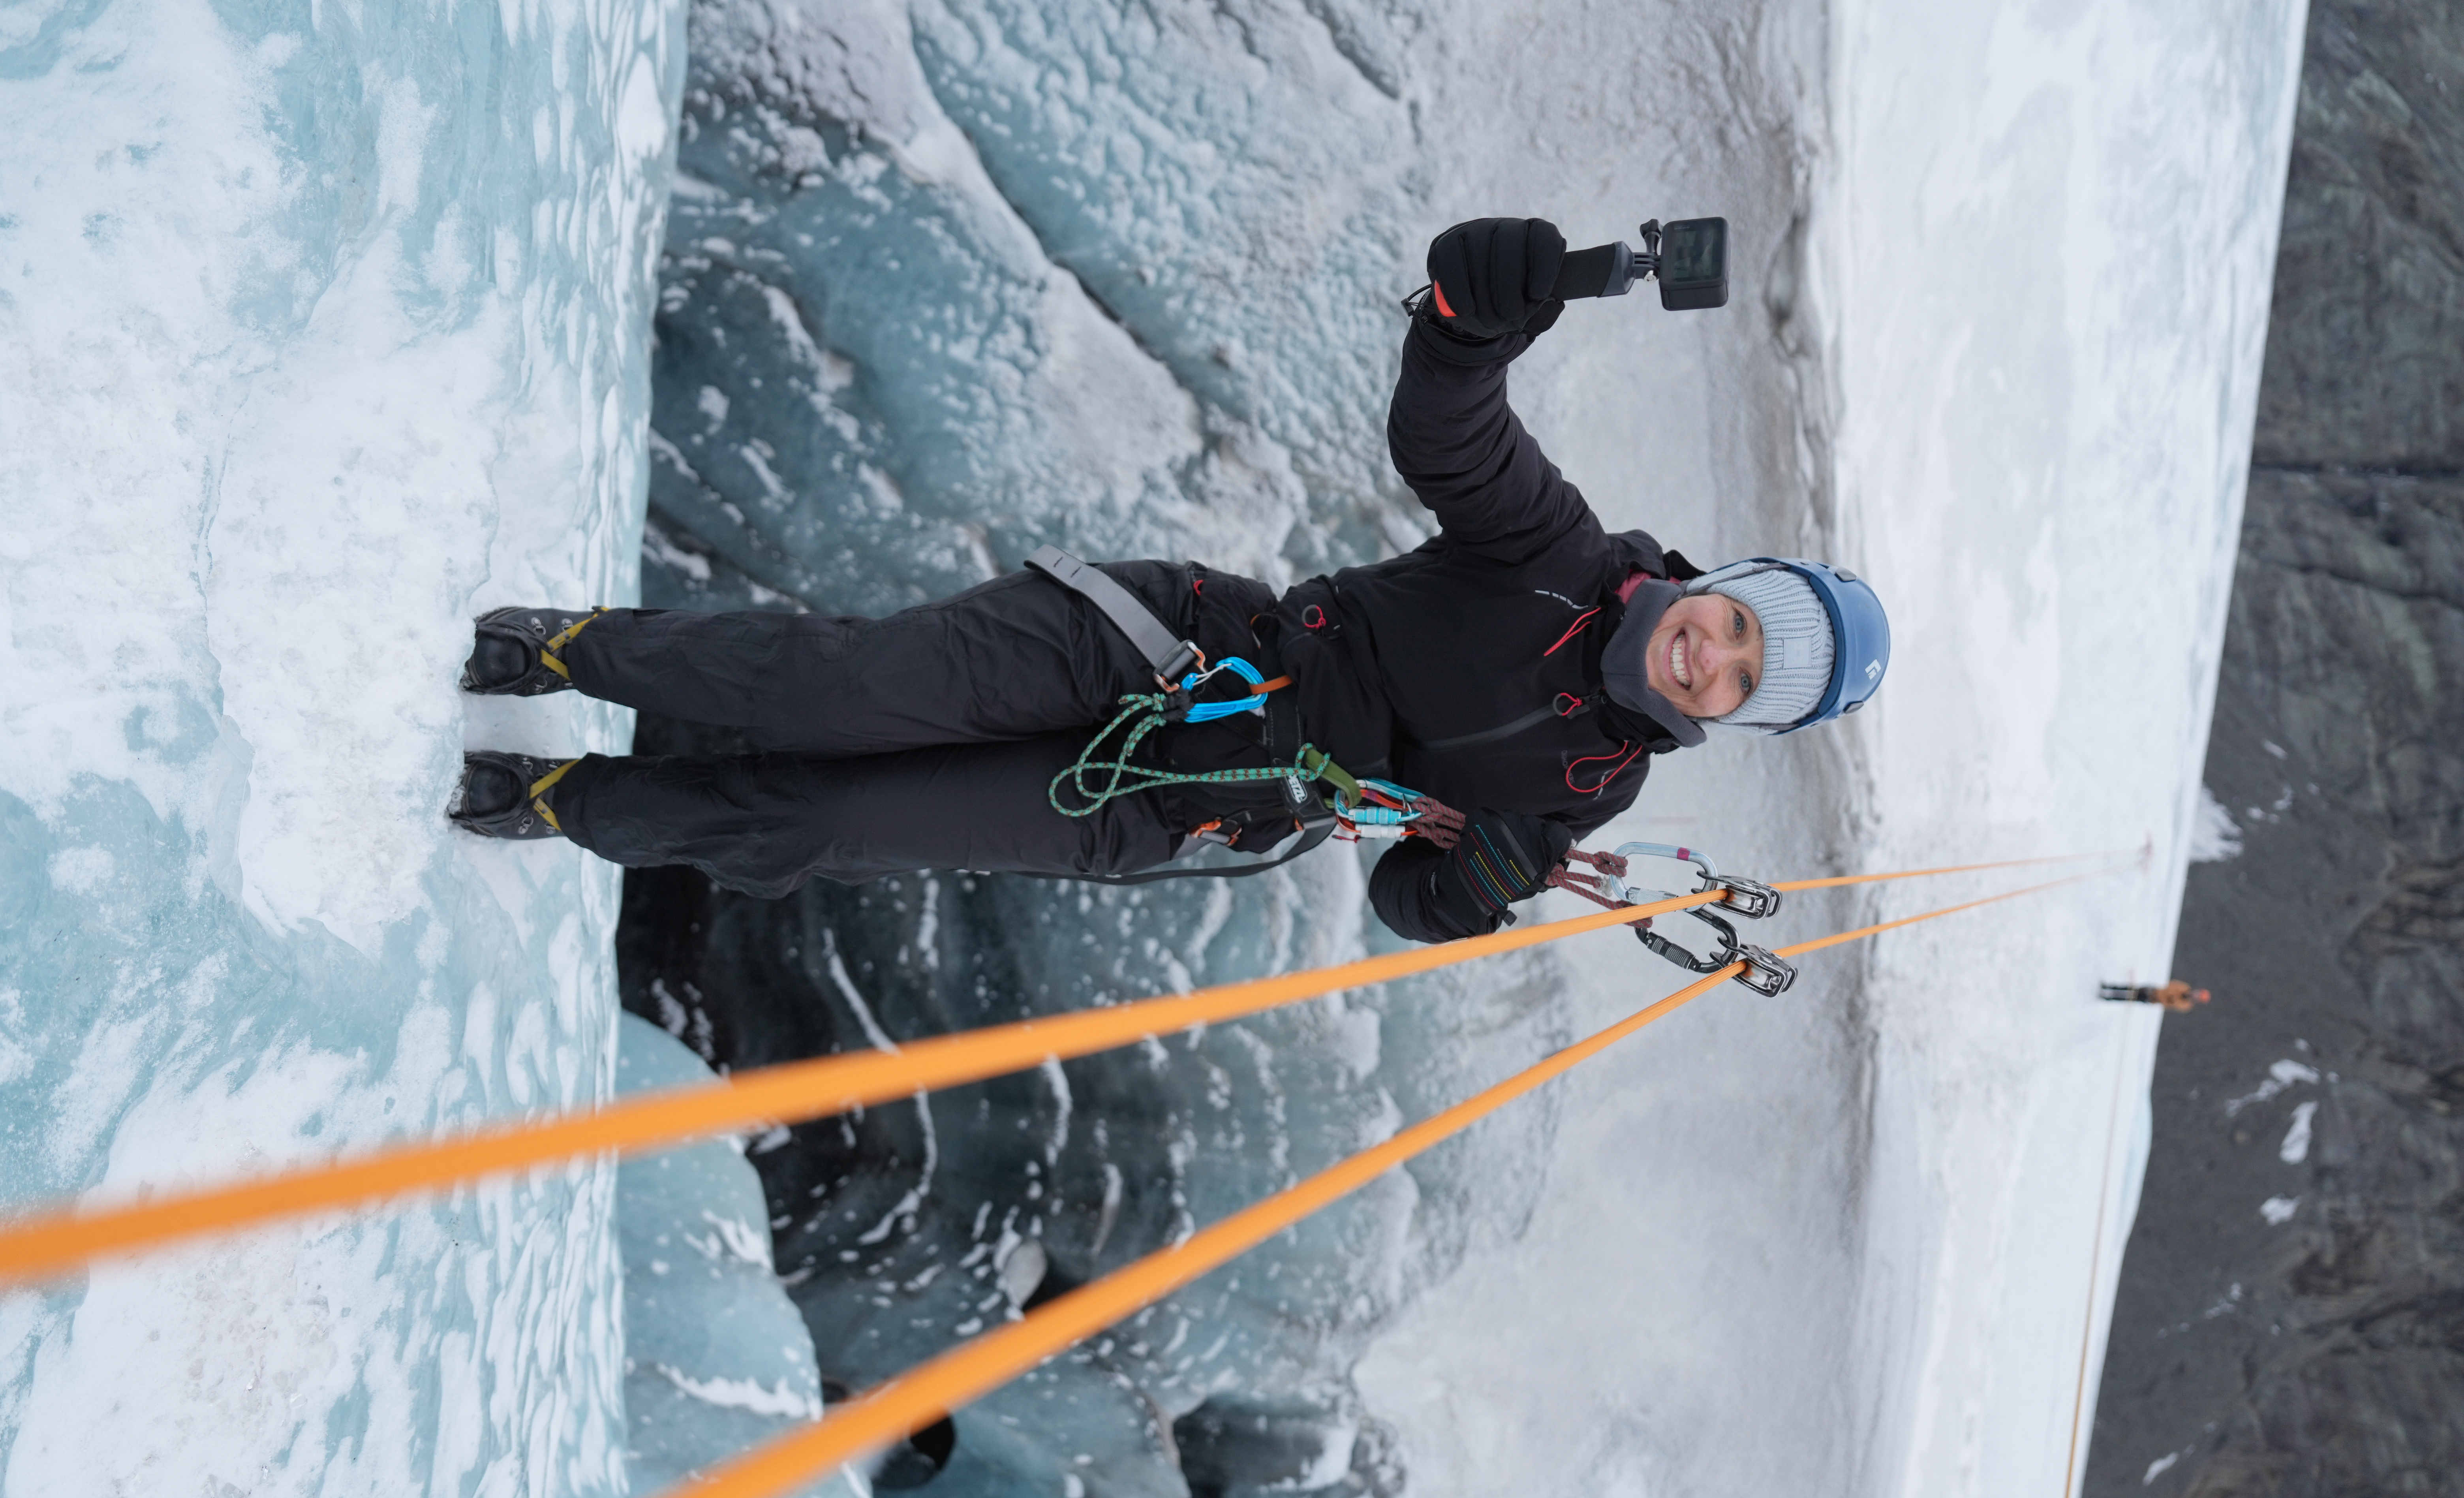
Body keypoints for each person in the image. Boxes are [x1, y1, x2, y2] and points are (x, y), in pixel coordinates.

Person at [449, 217, 1890, 945]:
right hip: (1168, 649)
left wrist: (1480, 890)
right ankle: (565, 651)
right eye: (1740, 628)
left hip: (1187, 805)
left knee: (830, 818)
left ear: (1735, 718)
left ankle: (563, 802)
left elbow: (1408, 896)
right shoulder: (1557, 555)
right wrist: (1465, 322)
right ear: (1722, 587)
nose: (1716, 659)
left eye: (1747, 683)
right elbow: (1445, 434)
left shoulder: (1594, 787)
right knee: (848, 688)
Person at [2099, 981, 2210, 1012]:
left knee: (2130, 998)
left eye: (2198, 997)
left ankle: (2109, 998)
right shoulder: (2185, 987)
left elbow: (2172, 1004)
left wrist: (2172, 998)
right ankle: (2109, 987)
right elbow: (2171, 985)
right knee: (2131, 989)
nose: (2195, 995)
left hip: (2152, 999)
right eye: (2198, 994)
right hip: (2154, 991)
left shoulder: (2186, 1006)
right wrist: (2172, 996)